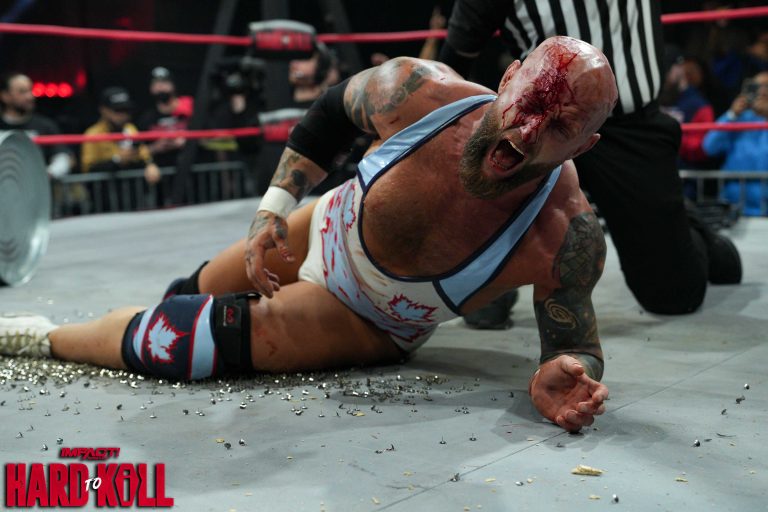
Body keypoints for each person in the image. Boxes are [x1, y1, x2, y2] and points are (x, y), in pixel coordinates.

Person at [0, 36, 615, 433]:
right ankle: (114, 329)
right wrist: (273, 206)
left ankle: (41, 338)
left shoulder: (565, 232)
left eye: (558, 125)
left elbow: (575, 340)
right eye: (530, 101)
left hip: (371, 318)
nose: (528, 132)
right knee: (180, 296)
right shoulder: (419, 91)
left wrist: (563, 368)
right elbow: (330, 112)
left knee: (185, 339)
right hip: (321, 223)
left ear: (584, 146)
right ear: (508, 77)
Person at [438, 0, 742, 330]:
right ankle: (492, 269)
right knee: (482, 307)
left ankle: (690, 227)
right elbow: (458, 55)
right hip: (536, 124)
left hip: (631, 126)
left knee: (674, 295)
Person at [702, 72, 768, 216]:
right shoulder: (738, 118)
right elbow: (709, 147)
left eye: (767, 86)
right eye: (757, 86)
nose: (762, 91)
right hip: (734, 205)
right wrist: (731, 114)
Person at [0, 71, 73, 179]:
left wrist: (48, 174)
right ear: (5, 96)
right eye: (22, 92)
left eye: (30, 90)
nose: (30, 96)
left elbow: (63, 156)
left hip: (36, 186)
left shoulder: (45, 125)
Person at [81, 87, 160, 185]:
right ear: (103, 110)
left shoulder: (130, 129)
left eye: (126, 110)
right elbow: (88, 169)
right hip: (104, 189)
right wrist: (117, 160)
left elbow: (144, 155)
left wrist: (150, 165)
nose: (123, 115)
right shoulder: (92, 134)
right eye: (117, 110)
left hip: (130, 189)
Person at [136, 67, 194, 168]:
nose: (160, 86)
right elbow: (136, 151)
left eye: (164, 82)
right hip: (162, 169)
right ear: (151, 88)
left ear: (173, 85)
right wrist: (156, 147)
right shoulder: (147, 118)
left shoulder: (190, 108)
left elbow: (210, 135)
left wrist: (188, 141)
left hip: (192, 165)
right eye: (156, 83)